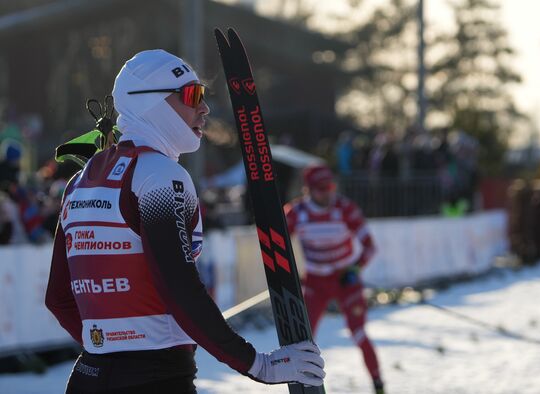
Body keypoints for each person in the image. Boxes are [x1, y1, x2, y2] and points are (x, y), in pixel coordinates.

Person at [45, 49, 325, 394]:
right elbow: (179, 288)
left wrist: (109, 348)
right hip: (156, 380)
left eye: (203, 96)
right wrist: (258, 365)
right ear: (151, 104)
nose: (204, 108)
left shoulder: (79, 181)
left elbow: (58, 298)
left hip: (90, 377)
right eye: (192, 96)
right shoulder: (160, 176)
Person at [284, 164, 384, 394]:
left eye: (330, 187)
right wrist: (290, 275)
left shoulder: (345, 208)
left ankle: (379, 386)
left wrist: (354, 269)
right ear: (308, 189)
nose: (328, 193)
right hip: (316, 282)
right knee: (304, 341)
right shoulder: (296, 212)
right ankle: (309, 389)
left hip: (345, 280)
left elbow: (369, 247)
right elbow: (278, 247)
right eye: (321, 189)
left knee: (358, 332)